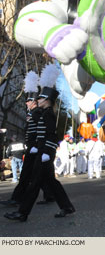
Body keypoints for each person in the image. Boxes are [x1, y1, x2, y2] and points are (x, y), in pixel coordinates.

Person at [4, 78, 75, 222]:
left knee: (34, 184)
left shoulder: (48, 114)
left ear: (47, 100)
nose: (39, 100)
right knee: (51, 182)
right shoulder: (45, 112)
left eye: (41, 98)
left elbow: (51, 135)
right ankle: (67, 206)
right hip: (41, 151)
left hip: (44, 153)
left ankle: (22, 213)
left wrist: (47, 153)